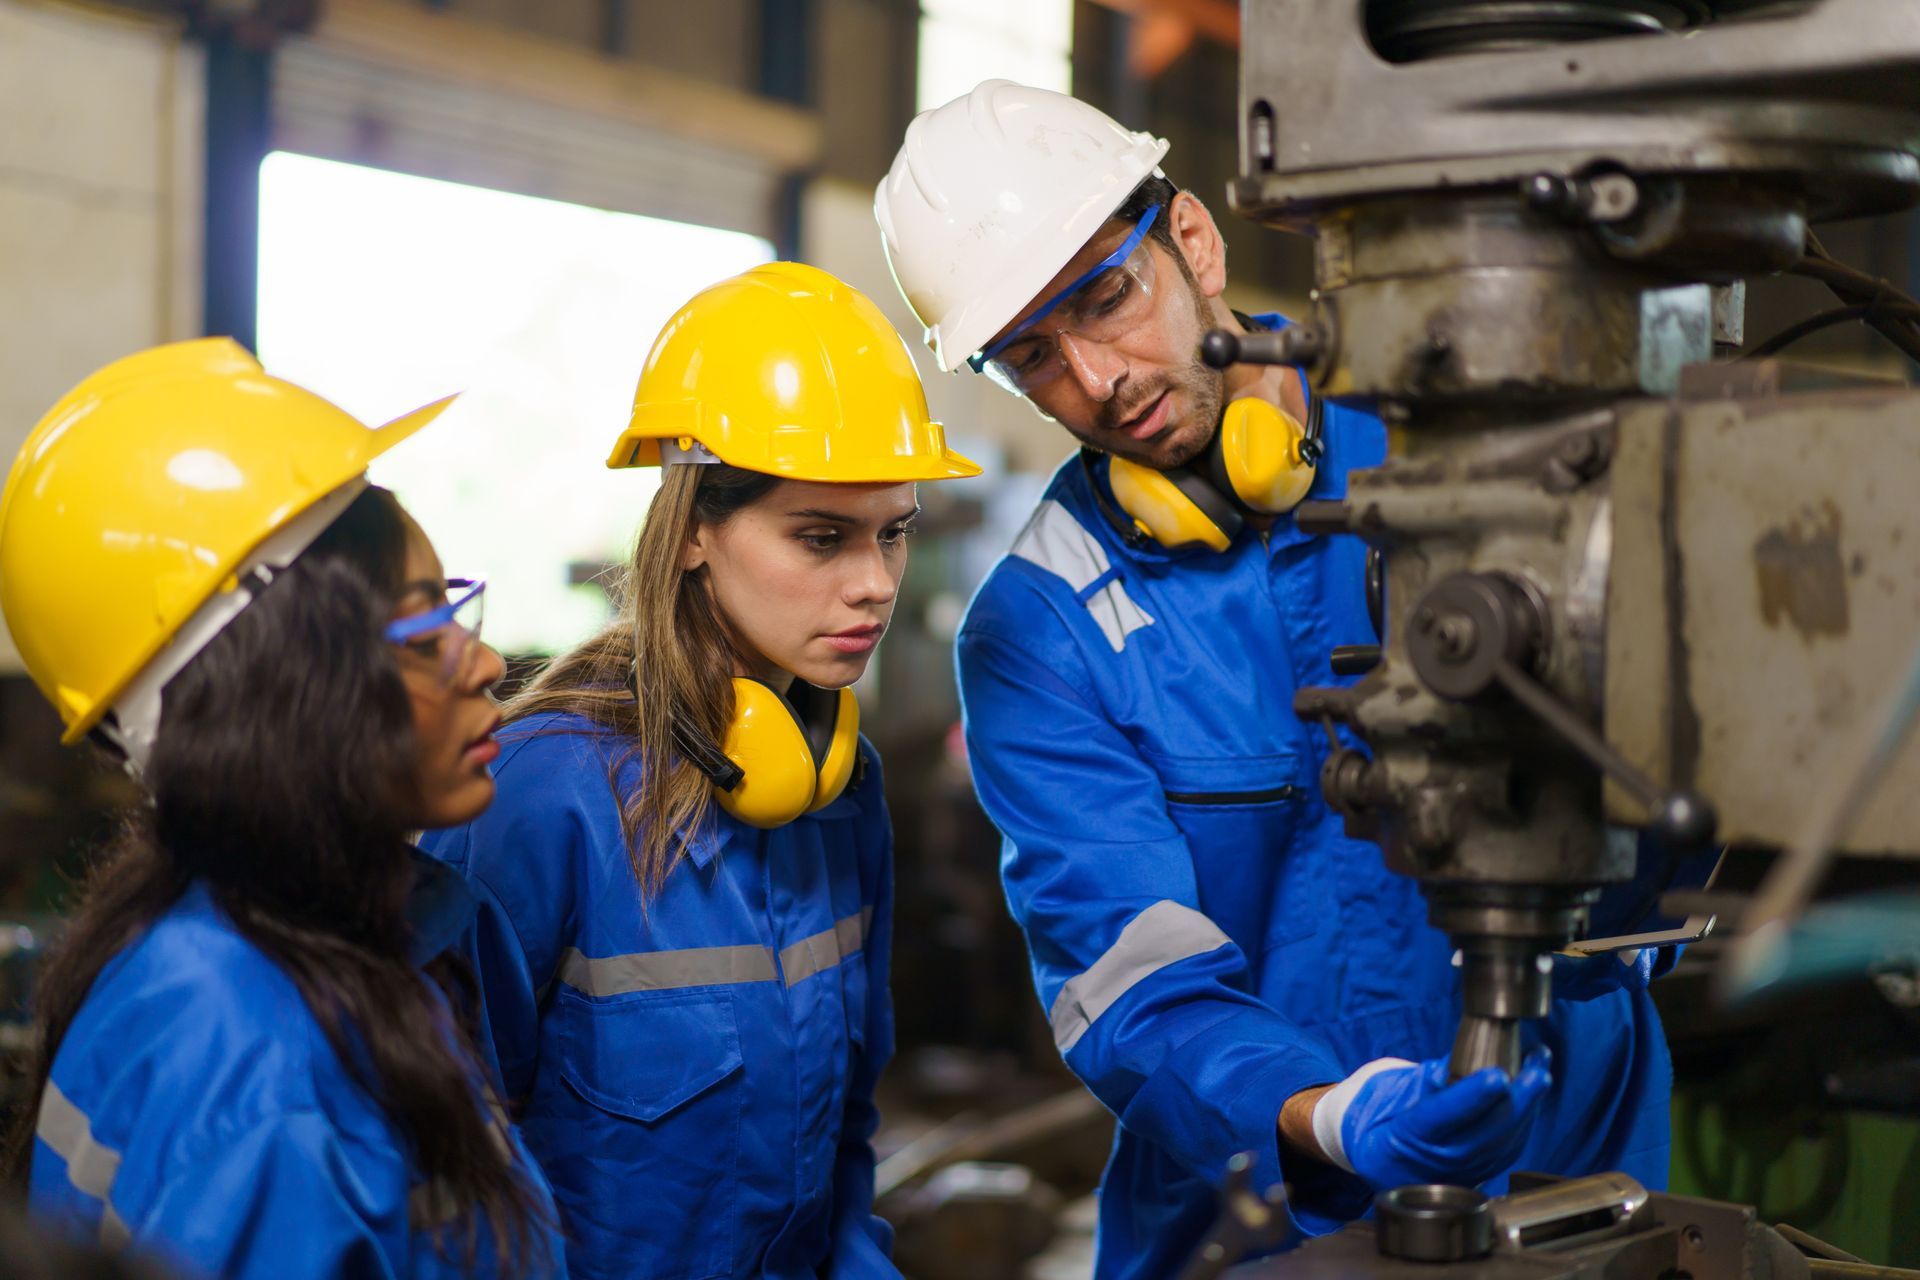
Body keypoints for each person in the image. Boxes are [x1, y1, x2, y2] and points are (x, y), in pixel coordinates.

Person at [875, 80, 1676, 1275]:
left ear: (1191, 238)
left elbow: (1669, 791)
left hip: (1575, 1175)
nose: (1097, 380)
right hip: (1254, 1215)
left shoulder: (1464, 443)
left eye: (1107, 296)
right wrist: (1329, 1113)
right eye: (1032, 357)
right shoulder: (1038, 629)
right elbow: (1130, 982)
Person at [419, 263, 980, 1280]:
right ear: (690, 534)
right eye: (821, 536)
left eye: (894, 533)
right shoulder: (542, 798)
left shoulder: (836, 789)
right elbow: (443, 1167)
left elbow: (845, 1150)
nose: (874, 585)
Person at [0, 339, 565, 1279]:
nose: (486, 661)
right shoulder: (260, 1078)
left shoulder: (265, 935)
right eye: (427, 625)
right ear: (285, 683)